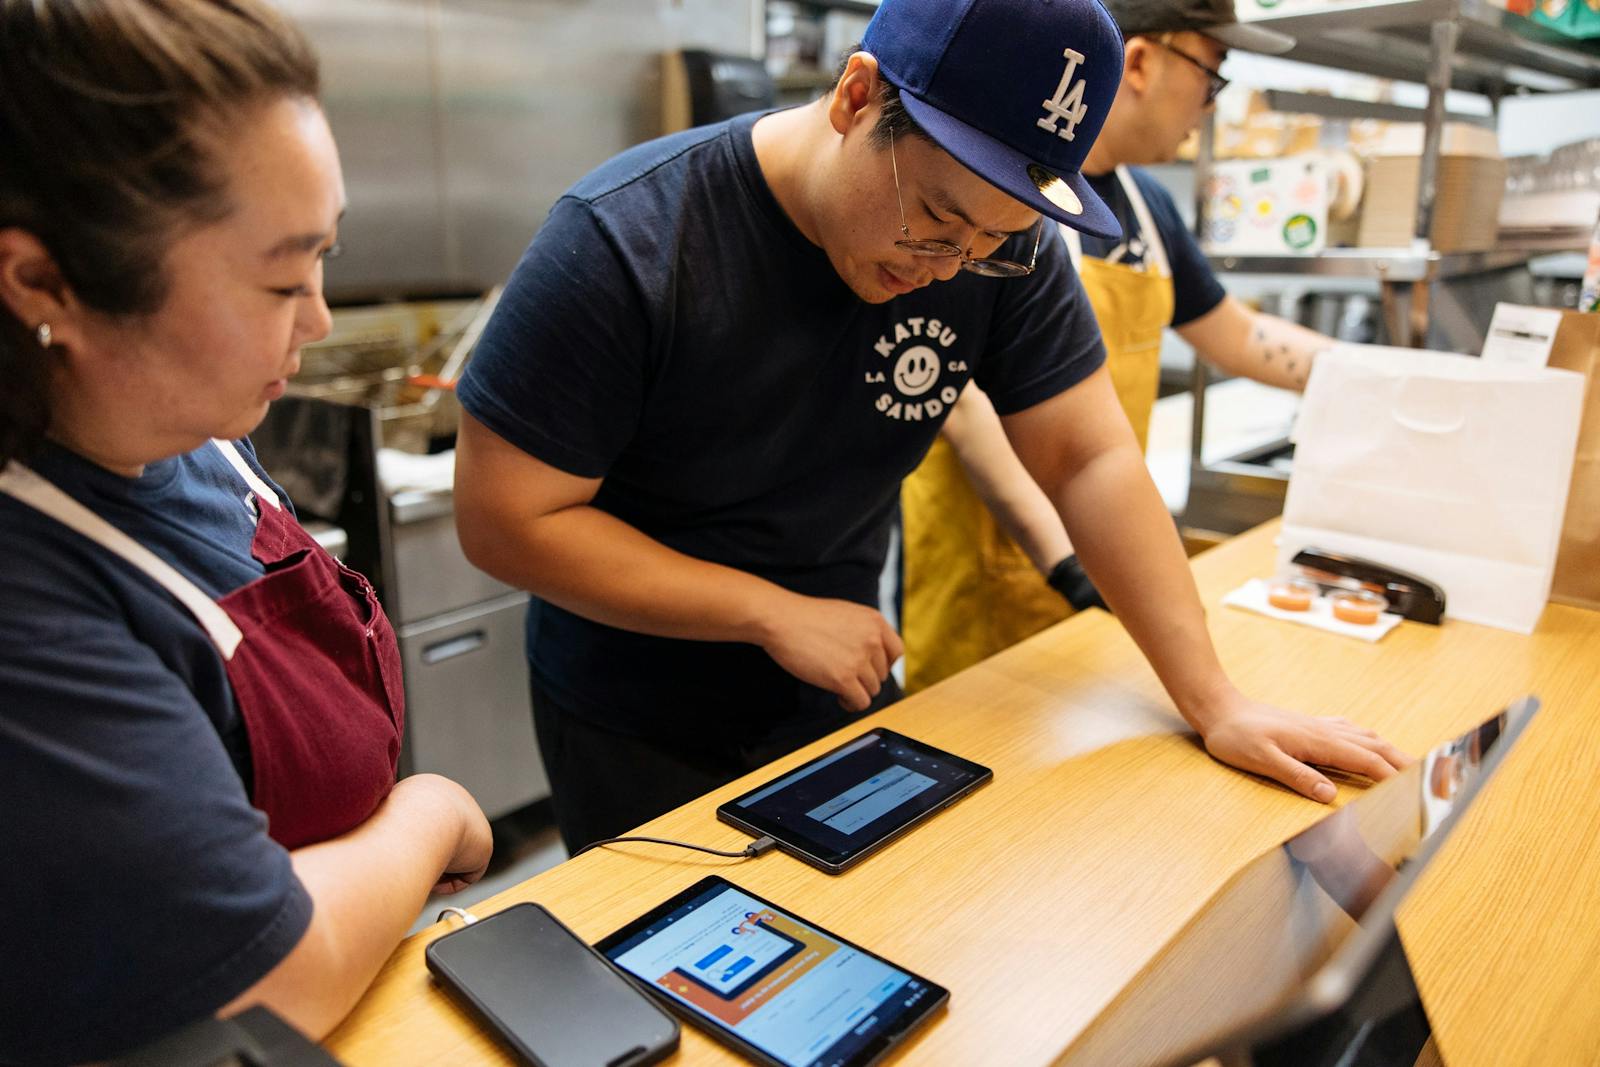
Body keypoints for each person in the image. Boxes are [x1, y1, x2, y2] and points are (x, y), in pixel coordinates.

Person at [453, 0, 1408, 855]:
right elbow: (506, 520)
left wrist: (1217, 701)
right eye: (937, 221)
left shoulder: (1000, 247)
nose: (950, 267)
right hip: (631, 706)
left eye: (993, 243)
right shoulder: (628, 240)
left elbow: (1088, 457)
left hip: (839, 676)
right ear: (857, 98)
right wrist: (767, 610)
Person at [0, 3, 492, 1062]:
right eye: (279, 279)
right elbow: (274, 965)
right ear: (46, 284)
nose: (316, 319)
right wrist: (431, 813)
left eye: (325, 257)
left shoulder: (197, 432)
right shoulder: (30, 597)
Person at [901, 0, 1357, 692]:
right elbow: (965, 407)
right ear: (1140, 62)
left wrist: (1371, 376)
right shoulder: (999, 196)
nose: (1210, 104)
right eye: (1212, 73)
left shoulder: (1146, 206)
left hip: (1101, 545)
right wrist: (1070, 567)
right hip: (996, 570)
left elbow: (1235, 336)